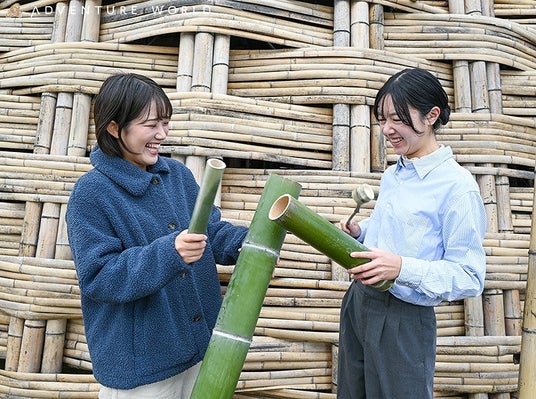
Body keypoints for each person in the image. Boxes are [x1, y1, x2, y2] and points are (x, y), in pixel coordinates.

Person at [66, 73, 248, 399]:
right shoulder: (91, 193)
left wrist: (244, 242)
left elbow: (208, 231)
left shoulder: (176, 175)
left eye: (165, 123)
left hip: (199, 350)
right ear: (113, 127)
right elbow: (100, 277)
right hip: (143, 370)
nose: (161, 135)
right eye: (150, 125)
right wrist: (170, 252)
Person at [336, 68, 487, 399]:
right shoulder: (394, 174)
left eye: (398, 119)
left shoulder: (458, 188)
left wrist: (402, 268)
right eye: (382, 119)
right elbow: (395, 230)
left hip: (404, 319)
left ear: (432, 116)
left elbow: (470, 276)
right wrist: (362, 232)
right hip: (360, 303)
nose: (387, 129)